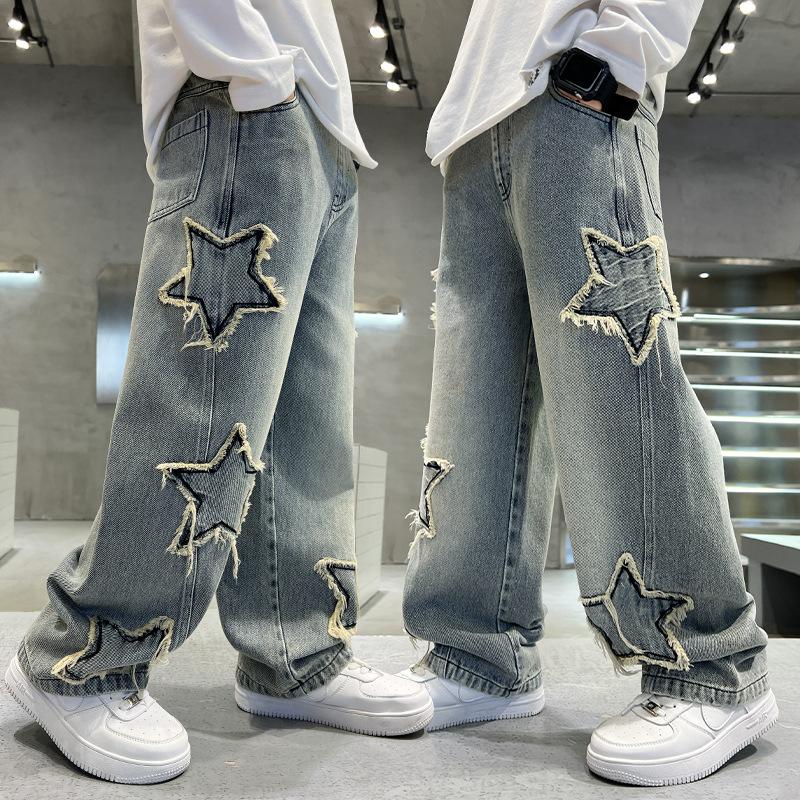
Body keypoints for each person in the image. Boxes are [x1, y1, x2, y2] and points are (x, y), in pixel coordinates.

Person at [4, 0, 433, 785]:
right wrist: (246, 66)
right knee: (199, 406)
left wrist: (304, 108)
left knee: (304, 420)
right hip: (246, 95)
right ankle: (85, 655)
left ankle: (293, 652)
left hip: (316, 126)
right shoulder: (248, 81)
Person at [399, 0, 779, 786]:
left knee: (621, 387)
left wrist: (624, 49)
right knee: (472, 411)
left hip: (577, 88)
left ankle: (710, 666)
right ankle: (480, 658)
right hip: (478, 123)